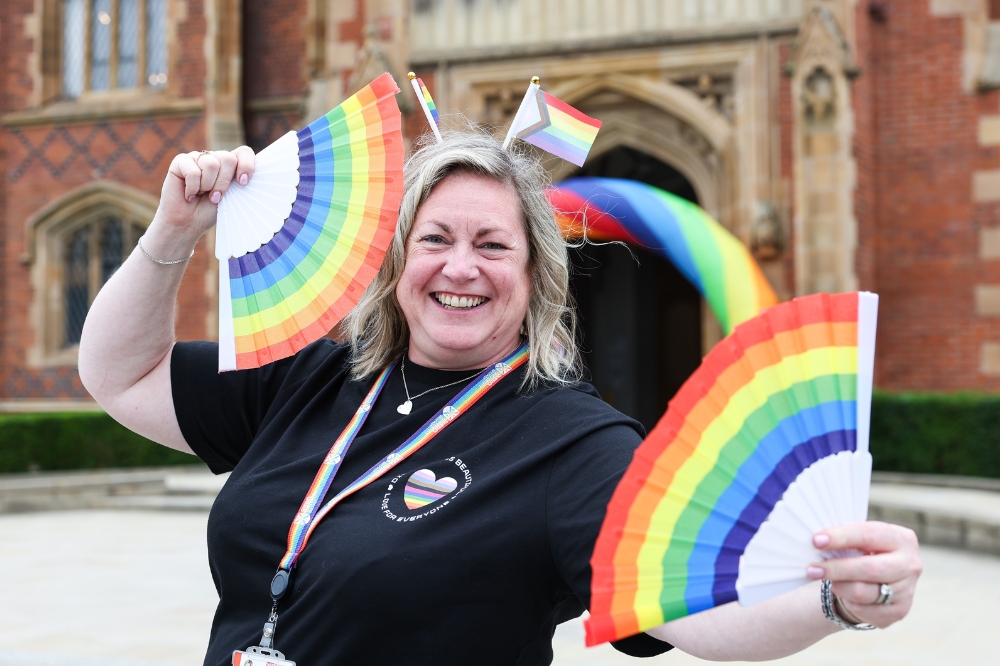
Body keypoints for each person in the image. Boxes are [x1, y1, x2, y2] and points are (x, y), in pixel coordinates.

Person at [79, 129, 922, 666]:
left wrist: (833, 600)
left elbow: (694, 617)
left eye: (493, 244)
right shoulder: (313, 374)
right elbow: (117, 375)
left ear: (534, 278)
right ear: (399, 262)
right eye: (436, 239)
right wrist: (174, 230)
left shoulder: (574, 441)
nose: (460, 266)